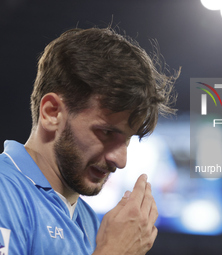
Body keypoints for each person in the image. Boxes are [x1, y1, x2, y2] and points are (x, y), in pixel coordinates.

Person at [0, 27, 179, 254]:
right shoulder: (4, 191)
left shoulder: (92, 223)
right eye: (106, 132)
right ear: (52, 113)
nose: (121, 160)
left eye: (128, 139)